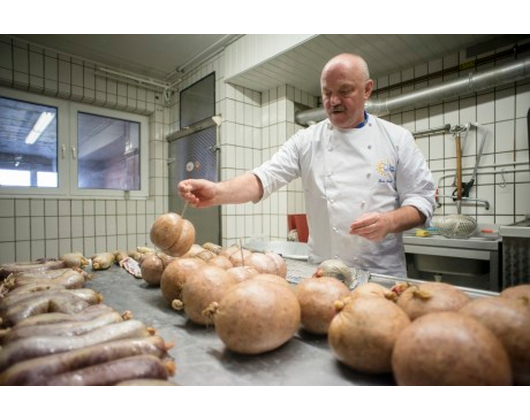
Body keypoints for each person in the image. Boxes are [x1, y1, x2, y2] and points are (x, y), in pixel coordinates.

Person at [179, 53, 435, 278]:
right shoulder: (307, 140)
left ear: (367, 90)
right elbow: (264, 177)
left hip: (381, 274)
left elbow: (422, 202)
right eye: (327, 92)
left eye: (344, 91)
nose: (333, 101)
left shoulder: (396, 138)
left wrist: (390, 221)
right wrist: (217, 192)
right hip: (324, 274)